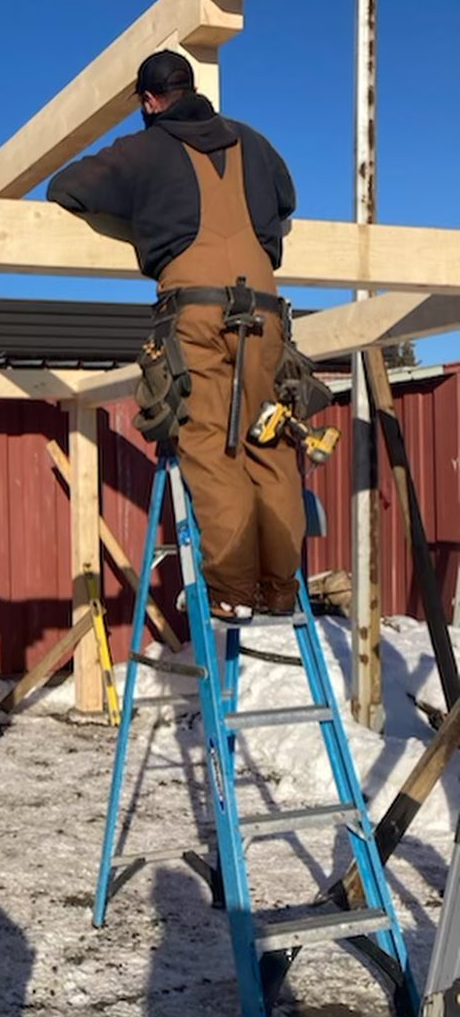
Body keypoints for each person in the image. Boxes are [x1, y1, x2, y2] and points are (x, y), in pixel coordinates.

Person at [47, 49, 308, 620]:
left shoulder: (143, 149)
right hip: (266, 315)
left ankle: (235, 591)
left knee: (211, 443)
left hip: (198, 311)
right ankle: (281, 588)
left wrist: (145, 219)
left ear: (148, 101)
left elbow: (66, 188)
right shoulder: (254, 142)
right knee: (270, 440)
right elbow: (288, 198)